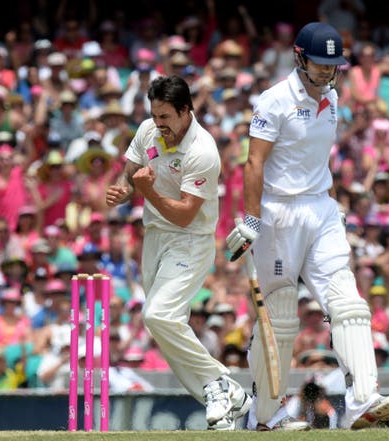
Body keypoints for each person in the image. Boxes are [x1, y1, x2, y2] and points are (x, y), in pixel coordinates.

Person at [226, 22, 389, 431]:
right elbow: (253, 162)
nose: (326, 73)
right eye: (320, 65)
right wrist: (252, 218)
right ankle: (264, 417)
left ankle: (363, 400)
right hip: (279, 213)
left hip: (321, 208)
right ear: (299, 57)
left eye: (332, 66)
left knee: (348, 302)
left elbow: (314, 158)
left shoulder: (334, 98)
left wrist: (326, 203)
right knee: (281, 315)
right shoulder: (273, 101)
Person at [106, 75, 251, 431]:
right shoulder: (148, 130)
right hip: (154, 237)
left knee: (157, 316)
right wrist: (125, 189)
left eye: (165, 117)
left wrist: (147, 193)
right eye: (155, 116)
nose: (159, 125)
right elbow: (132, 169)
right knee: (164, 326)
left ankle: (218, 383)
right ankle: (228, 395)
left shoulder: (203, 150)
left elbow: (186, 214)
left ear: (186, 111)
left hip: (190, 239)